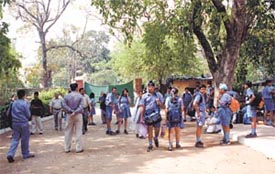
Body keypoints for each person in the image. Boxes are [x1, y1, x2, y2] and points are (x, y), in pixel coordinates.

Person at [7, 89, 35, 163]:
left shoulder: (13, 103)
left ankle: (10, 154)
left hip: (15, 123)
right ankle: (25, 154)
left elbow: (8, 114)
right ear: (24, 95)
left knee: (15, 139)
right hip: (23, 123)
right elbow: (28, 114)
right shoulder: (25, 104)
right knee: (25, 139)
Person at [139, 81, 164, 152]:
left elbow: (162, 105)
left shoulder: (158, 95)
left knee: (157, 129)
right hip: (148, 115)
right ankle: (150, 144)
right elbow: (142, 106)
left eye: (151, 87)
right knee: (150, 129)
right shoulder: (144, 96)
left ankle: (156, 137)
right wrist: (141, 117)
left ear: (153, 87)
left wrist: (159, 102)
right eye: (148, 87)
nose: (149, 88)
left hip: (156, 115)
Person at [62, 83, 84, 153]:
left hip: (69, 115)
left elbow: (64, 105)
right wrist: (75, 111)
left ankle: (67, 148)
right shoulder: (80, 96)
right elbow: (81, 106)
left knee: (68, 131)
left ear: (70, 88)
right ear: (77, 88)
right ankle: (78, 148)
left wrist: (71, 111)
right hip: (78, 115)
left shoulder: (66, 96)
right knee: (78, 131)